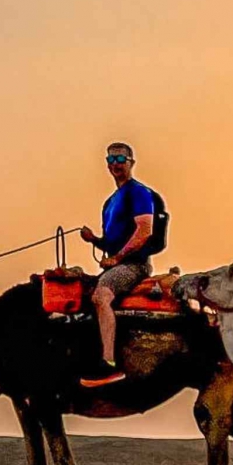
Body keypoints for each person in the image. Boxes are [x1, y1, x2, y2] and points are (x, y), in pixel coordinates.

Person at [78, 142, 158, 387]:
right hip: (116, 264)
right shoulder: (110, 202)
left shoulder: (139, 193)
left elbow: (145, 230)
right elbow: (112, 243)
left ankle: (109, 364)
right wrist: (94, 240)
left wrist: (117, 258)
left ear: (131, 162)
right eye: (111, 159)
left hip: (134, 265)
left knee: (101, 296)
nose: (116, 164)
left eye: (121, 159)